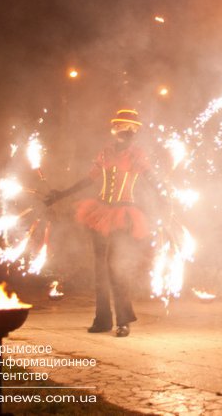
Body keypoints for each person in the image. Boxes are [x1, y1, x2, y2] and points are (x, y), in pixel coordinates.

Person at [46, 109, 156, 337]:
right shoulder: (105, 153)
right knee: (100, 268)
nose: (126, 133)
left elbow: (152, 179)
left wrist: (166, 198)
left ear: (134, 133)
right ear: (116, 129)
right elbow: (89, 179)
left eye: (130, 130)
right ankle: (103, 320)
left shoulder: (136, 155)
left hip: (124, 214)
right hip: (100, 211)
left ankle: (123, 320)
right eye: (122, 128)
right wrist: (61, 194)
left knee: (115, 267)